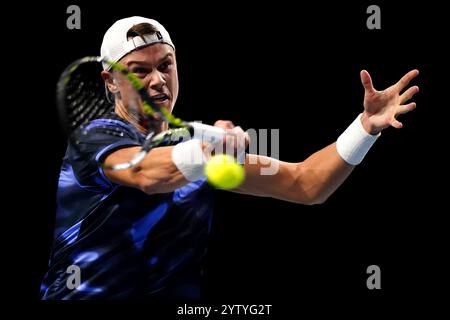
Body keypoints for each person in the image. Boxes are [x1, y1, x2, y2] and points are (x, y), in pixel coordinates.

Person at [40, 16, 419, 300]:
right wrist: (209, 150)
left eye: (165, 66)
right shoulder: (97, 137)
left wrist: (365, 127)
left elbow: (306, 184)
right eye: (139, 71)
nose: (157, 80)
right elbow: (147, 174)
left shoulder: (192, 144)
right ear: (110, 82)